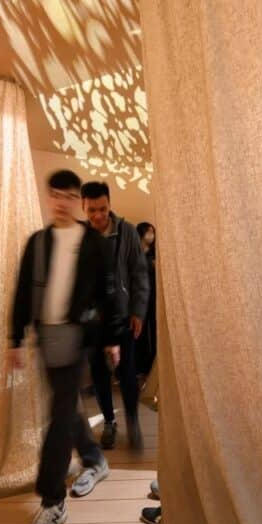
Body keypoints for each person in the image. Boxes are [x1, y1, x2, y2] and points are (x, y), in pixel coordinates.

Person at [9, 170, 123, 524]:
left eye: (68, 195)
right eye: (54, 194)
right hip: (46, 338)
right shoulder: (38, 243)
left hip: (77, 339)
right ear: (48, 197)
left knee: (58, 416)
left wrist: (111, 339)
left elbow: (107, 295)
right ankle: (94, 459)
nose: (60, 201)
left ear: (78, 201)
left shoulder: (92, 243)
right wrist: (15, 336)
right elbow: (24, 291)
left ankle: (53, 499)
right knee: (66, 407)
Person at [81, 182, 150, 449]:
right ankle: (109, 422)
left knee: (127, 372)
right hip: (92, 323)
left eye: (102, 209)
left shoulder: (128, 232)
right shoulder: (81, 236)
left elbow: (139, 275)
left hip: (122, 318)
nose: (98, 216)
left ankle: (132, 421)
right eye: (92, 211)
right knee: (99, 375)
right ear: (83, 207)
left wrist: (138, 311)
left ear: (109, 204)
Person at [135, 222, 158, 380]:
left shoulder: (155, 254)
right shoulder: (135, 254)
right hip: (141, 299)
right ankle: (142, 365)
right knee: (141, 332)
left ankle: (154, 363)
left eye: (152, 232)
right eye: (148, 232)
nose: (151, 235)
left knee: (154, 329)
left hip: (154, 296)